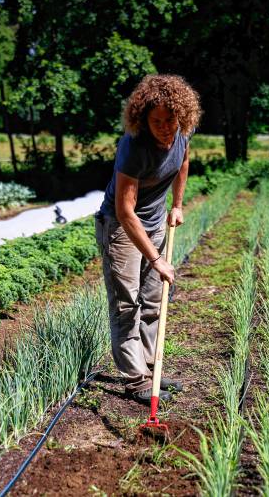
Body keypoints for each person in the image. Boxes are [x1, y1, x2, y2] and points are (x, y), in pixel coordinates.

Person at [94, 74, 201, 404]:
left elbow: (182, 163)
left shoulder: (181, 133)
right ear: (143, 119)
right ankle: (135, 379)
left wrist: (178, 205)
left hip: (155, 223)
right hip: (121, 228)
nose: (165, 127)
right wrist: (156, 258)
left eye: (170, 119)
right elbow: (126, 212)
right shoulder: (134, 145)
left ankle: (151, 371)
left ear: (181, 115)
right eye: (157, 121)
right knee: (127, 304)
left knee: (154, 300)